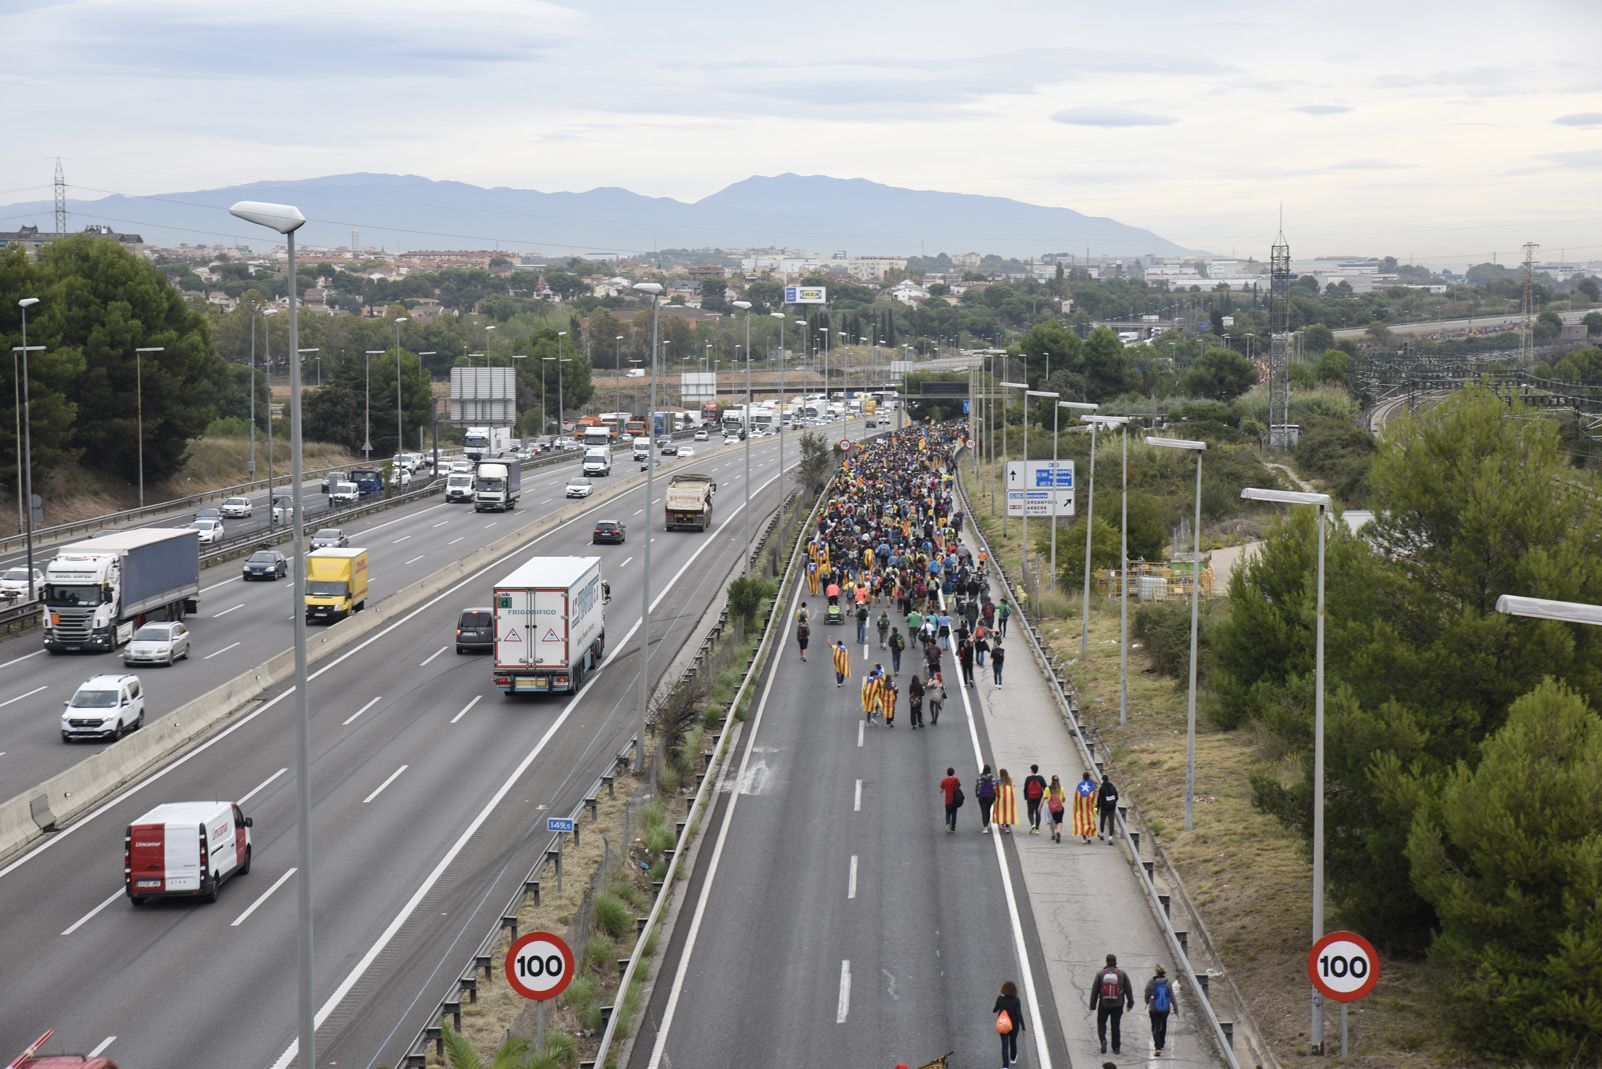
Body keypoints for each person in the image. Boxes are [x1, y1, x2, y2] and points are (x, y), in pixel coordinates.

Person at [1089, 953, 1135, 1055]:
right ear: (1115, 962)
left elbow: (1095, 990)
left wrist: (1093, 1005)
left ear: (1106, 962)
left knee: (1101, 1022)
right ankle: (1116, 1047)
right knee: (1115, 1025)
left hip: (1104, 1004)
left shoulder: (1100, 974)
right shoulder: (1122, 974)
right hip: (1118, 1004)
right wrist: (1130, 1003)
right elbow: (1128, 989)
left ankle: (1103, 1040)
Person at [1144, 964, 1178, 1056]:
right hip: (1165, 1009)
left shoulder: (1151, 982)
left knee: (1154, 1026)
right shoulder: (1168, 983)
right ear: (1164, 972)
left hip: (1154, 1009)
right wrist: (1176, 1009)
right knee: (1163, 1024)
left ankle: (1158, 1047)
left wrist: (1147, 1001)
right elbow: (1172, 997)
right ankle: (1162, 1042)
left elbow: (1147, 992)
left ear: (1156, 972)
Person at [992, 979, 1027, 1068]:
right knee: (1013, 1041)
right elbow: (1019, 1014)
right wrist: (1023, 1028)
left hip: (1003, 1024)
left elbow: (994, 1010)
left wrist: (998, 1005)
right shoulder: (1016, 1000)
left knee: (1004, 1046)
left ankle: (1005, 1066)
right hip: (1014, 1025)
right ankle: (1013, 1058)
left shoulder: (1000, 998)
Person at [1073, 772, 1098, 843]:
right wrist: (1094, 807)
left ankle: (1084, 838)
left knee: (1082, 823)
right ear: (1089, 777)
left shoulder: (1079, 786)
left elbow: (1076, 797)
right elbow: (1094, 798)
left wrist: (1075, 808)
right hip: (1089, 808)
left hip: (1080, 808)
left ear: (1083, 777)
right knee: (1089, 822)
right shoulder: (1092, 786)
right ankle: (1088, 837)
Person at [1022, 765, 1047, 834]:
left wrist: (1026, 797)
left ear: (1031, 770)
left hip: (1030, 798)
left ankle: (1033, 825)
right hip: (1039, 798)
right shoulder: (1041, 778)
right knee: (1038, 813)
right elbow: (1045, 787)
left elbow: (1025, 788)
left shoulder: (1028, 778)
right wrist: (1044, 796)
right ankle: (1037, 829)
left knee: (1030, 813)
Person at [938, 767, 962, 833]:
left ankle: (947, 823)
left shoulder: (944, 780)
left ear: (947, 773)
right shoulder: (956, 779)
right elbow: (959, 786)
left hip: (948, 800)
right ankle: (953, 828)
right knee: (954, 814)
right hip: (955, 800)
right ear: (953, 773)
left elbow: (941, 790)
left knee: (948, 813)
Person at [1098, 774, 1120, 843]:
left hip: (1104, 807)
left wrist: (1097, 808)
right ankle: (1110, 838)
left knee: (1102, 820)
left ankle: (1102, 834)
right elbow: (1117, 797)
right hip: (1112, 807)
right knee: (1111, 822)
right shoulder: (1113, 787)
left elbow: (1099, 799)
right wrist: (1113, 802)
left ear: (1103, 780)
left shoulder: (1102, 788)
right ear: (1108, 779)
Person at [994, 768, 1017, 835]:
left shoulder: (998, 781)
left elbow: (996, 789)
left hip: (1001, 799)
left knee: (1001, 812)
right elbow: (1012, 787)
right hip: (1009, 799)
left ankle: (1002, 823)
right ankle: (1007, 827)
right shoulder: (1009, 780)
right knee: (1008, 813)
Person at [975, 764, 997, 832]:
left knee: (984, 811)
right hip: (990, 796)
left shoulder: (979, 778)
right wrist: (994, 796)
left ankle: (985, 826)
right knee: (988, 810)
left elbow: (978, 787)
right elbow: (994, 788)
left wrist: (977, 794)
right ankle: (987, 822)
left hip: (982, 796)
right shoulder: (992, 778)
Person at [1046, 774, 1066, 843]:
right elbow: (1063, 799)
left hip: (1051, 809)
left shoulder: (1048, 788)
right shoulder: (1061, 788)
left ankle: (1054, 834)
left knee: (1053, 822)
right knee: (1059, 821)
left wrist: (1040, 807)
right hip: (1060, 808)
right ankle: (1058, 832)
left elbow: (1045, 798)